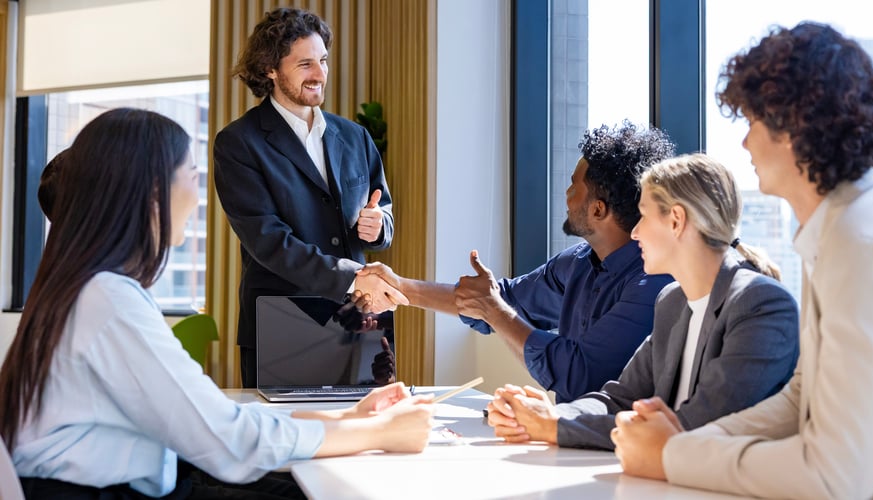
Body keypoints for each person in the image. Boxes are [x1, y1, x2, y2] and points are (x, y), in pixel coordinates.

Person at [0, 108, 434, 499]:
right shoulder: (108, 300)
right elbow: (227, 438)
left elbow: (212, 420)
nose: (198, 187)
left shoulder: (88, 288)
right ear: (151, 194)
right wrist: (378, 432)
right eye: (189, 171)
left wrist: (350, 421)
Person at [611, 22, 873, 499]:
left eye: (753, 123)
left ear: (792, 127)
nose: (744, 145)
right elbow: (802, 398)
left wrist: (671, 456)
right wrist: (686, 441)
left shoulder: (864, 245)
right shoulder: (843, 232)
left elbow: (834, 476)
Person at [485, 153, 799, 450]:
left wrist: (552, 426)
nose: (635, 232)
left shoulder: (761, 305)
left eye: (644, 215)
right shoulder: (673, 302)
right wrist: (547, 414)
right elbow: (618, 398)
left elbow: (696, 428)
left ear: (676, 220)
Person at [358, 122, 676, 402]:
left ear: (598, 210)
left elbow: (578, 374)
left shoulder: (654, 284)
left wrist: (495, 311)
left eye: (574, 186)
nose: (566, 194)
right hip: (566, 439)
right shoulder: (578, 262)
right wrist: (400, 288)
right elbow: (502, 300)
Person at [213, 7, 406, 388]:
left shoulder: (355, 137)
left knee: (363, 439)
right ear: (270, 69)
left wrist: (379, 224)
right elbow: (269, 242)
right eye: (305, 64)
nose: (319, 74)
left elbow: (382, 210)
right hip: (281, 325)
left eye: (323, 61)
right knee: (288, 443)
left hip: (360, 321)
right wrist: (355, 278)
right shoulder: (238, 143)